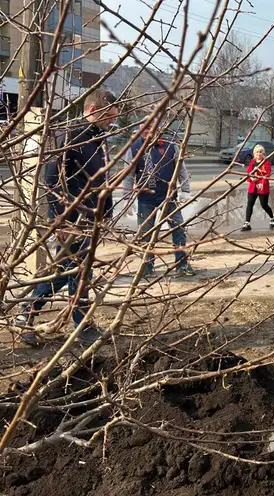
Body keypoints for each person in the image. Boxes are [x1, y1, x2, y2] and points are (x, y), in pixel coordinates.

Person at [14, 89, 119, 347]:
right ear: (92, 111)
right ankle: (71, 324)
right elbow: (52, 179)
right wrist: (58, 219)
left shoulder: (98, 138)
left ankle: (39, 317)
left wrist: (106, 212)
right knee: (72, 272)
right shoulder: (72, 136)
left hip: (89, 220)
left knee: (72, 272)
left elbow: (101, 179)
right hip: (72, 220)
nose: (111, 122)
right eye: (108, 116)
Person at [123, 123, 194, 277]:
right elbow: (128, 174)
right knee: (145, 234)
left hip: (169, 196)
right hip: (146, 199)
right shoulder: (134, 148)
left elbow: (181, 168)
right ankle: (147, 266)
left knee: (179, 229)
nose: (147, 131)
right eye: (144, 128)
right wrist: (126, 198)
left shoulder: (171, 146)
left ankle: (181, 264)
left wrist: (186, 189)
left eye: (151, 128)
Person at [241, 144, 274, 231]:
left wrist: (262, 183)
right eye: (257, 152)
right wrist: (251, 178)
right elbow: (248, 173)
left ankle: (272, 218)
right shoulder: (253, 162)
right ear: (254, 153)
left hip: (262, 187)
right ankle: (247, 223)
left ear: (263, 153)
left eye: (260, 152)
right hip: (253, 186)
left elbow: (268, 174)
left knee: (264, 205)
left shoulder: (266, 162)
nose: (258, 153)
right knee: (250, 203)